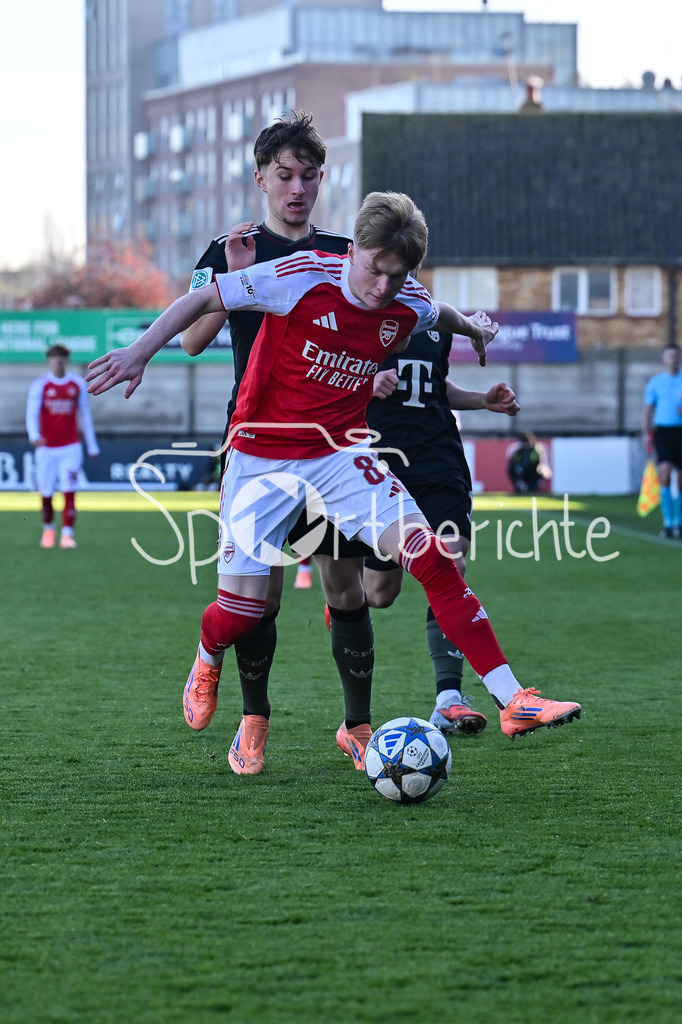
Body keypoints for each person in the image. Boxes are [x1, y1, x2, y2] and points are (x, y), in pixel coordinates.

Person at [86, 190, 582, 773]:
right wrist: (142, 350)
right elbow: (201, 299)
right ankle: (207, 651)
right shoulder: (299, 276)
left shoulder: (406, 298)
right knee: (242, 613)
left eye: (397, 277)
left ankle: (512, 698)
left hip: (341, 453)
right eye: (374, 270)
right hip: (259, 456)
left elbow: (434, 311)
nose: (381, 288)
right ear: (357, 250)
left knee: (432, 556)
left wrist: (472, 327)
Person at [181, 111, 377, 772]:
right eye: (284, 175)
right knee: (256, 597)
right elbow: (190, 340)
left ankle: (358, 726)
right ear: (260, 177)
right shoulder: (230, 247)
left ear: (323, 178)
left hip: (330, 449)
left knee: (343, 584)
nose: (297, 187)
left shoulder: (349, 254)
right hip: (258, 447)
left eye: (308, 175)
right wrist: (231, 283)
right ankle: (254, 718)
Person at [363, 329, 519, 737]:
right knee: (380, 593)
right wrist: (366, 383)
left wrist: (481, 401)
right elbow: (323, 380)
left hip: (439, 462)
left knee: (452, 561)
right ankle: (345, 601)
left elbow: (432, 385)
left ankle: (449, 698)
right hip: (381, 464)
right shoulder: (358, 311)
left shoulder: (434, 319)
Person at [26, 343, 100, 549]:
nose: (58, 360)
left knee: (69, 490)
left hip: (70, 447)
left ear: (66, 360)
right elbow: (31, 413)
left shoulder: (76, 384)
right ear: (49, 360)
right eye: (54, 357)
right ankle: (48, 530)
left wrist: (92, 445)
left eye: (61, 357)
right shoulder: (40, 385)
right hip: (47, 448)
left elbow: (85, 415)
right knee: (46, 493)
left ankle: (67, 535)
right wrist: (34, 435)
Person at [642, 344, 682, 538]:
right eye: (669, 356)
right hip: (664, 432)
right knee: (664, 474)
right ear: (664, 359)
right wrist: (645, 432)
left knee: (681, 479)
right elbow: (648, 409)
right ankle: (667, 522)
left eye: (675, 356)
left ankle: (679, 522)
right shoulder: (656, 383)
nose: (673, 359)